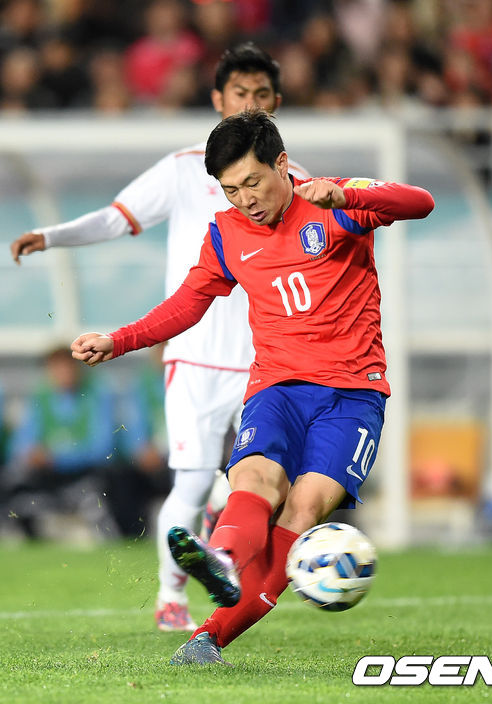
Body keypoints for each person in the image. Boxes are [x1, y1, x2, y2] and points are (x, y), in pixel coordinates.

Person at [70, 109, 435, 665]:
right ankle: (220, 559)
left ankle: (208, 638)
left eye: (253, 182)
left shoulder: (334, 202)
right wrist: (118, 340)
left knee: (303, 511)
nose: (245, 199)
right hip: (276, 387)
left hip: (352, 394)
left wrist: (345, 195)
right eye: (231, 189)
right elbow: (186, 304)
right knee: (254, 478)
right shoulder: (226, 233)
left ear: (281, 164)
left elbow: (420, 202)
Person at [10, 42, 309, 632]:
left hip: (267, 363)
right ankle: (172, 596)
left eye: (261, 94)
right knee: (193, 481)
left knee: (269, 484)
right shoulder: (183, 169)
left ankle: (219, 541)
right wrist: (53, 235)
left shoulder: (295, 181)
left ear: (276, 101)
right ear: (218, 98)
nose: (249, 103)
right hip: (195, 358)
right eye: (240, 93)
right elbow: (117, 217)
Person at [5, 345, 118, 540]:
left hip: (84, 477)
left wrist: (57, 458)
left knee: (99, 497)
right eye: (57, 368)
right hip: (48, 477)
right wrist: (30, 453)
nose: (63, 373)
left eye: (68, 367)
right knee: (15, 486)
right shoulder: (40, 398)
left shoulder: (95, 396)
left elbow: (103, 449)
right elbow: (19, 445)